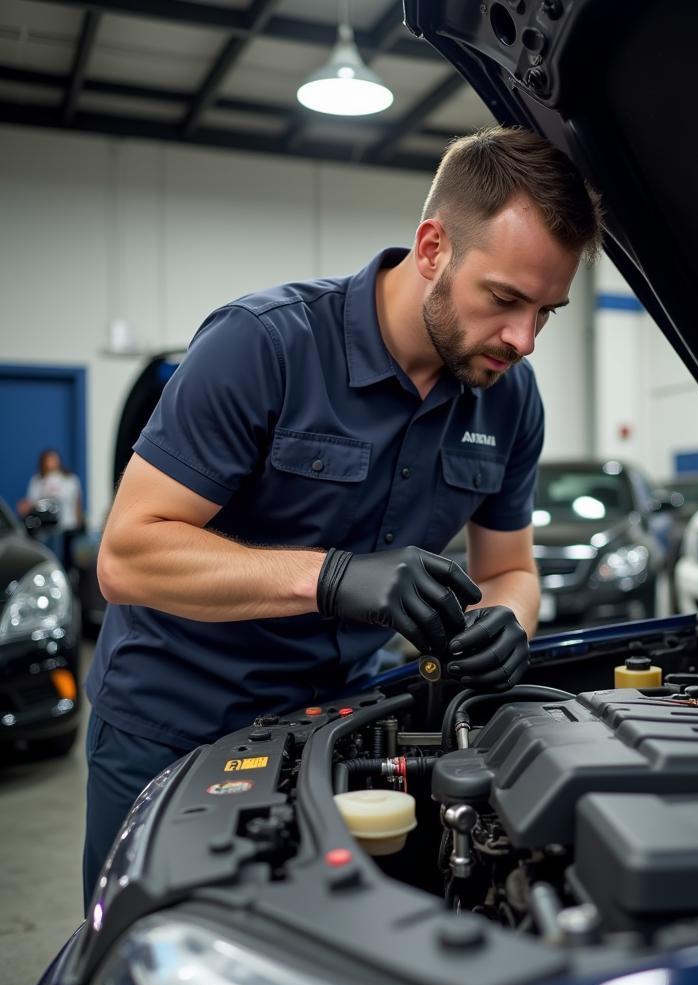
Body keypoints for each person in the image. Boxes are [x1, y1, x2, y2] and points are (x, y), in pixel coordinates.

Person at [83, 126, 603, 905]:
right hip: (171, 730)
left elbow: (509, 570)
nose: (522, 340)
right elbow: (128, 557)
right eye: (503, 300)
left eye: (547, 312)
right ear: (433, 248)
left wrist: (510, 622)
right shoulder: (263, 346)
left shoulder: (510, 399)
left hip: (339, 730)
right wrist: (330, 578)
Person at [17, 449, 83, 567]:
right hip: (45, 528)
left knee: (67, 558)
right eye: (48, 460)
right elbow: (32, 502)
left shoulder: (70, 479)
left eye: (54, 459)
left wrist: (79, 524)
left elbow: (76, 502)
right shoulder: (37, 481)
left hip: (67, 526)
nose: (52, 462)